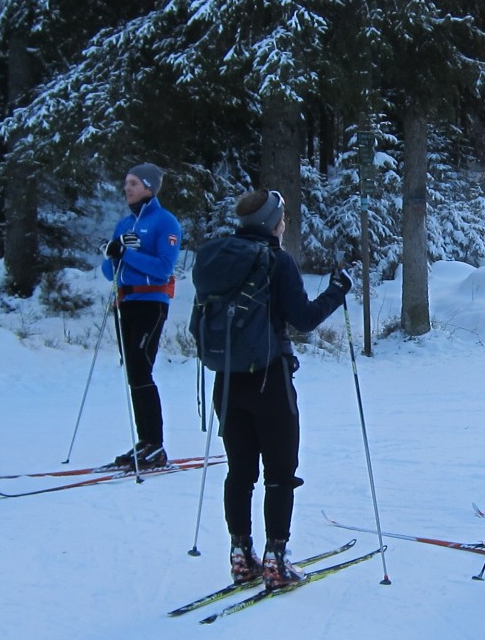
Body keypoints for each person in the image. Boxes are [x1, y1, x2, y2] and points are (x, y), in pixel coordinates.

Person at [195, 189, 350, 590]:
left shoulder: (215, 258)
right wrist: (337, 291)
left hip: (226, 380)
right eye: (282, 218)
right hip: (270, 379)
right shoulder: (277, 261)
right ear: (272, 223)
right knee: (280, 473)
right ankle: (276, 560)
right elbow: (304, 318)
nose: (285, 223)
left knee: (240, 472)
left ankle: (241, 555)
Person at [99, 163, 183, 469]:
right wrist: (112, 254)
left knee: (140, 368)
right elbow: (110, 271)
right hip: (127, 301)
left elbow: (163, 267)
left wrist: (127, 254)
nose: (128, 188)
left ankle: (155, 445)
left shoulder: (165, 222)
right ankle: (145, 441)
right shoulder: (124, 225)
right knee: (133, 371)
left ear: (149, 187)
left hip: (151, 302)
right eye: (126, 182)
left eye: (133, 183)